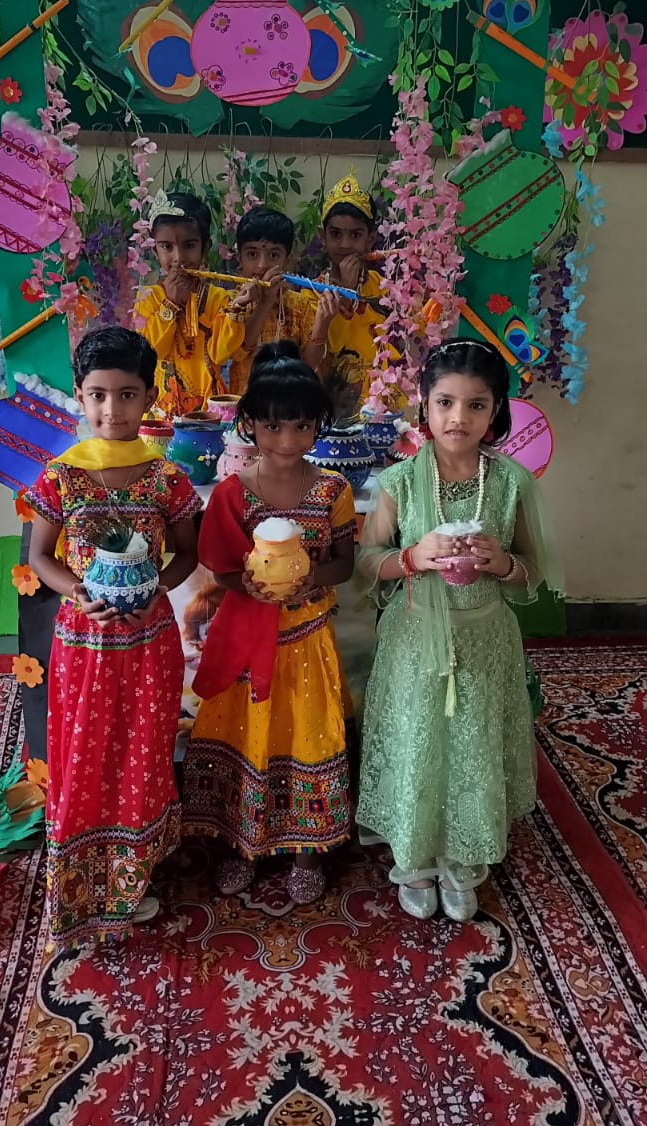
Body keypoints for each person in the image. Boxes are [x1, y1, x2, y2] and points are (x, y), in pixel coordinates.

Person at [356, 339, 563, 922]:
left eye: (476, 404)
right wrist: (412, 557)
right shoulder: (399, 481)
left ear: (496, 411)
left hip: (484, 638)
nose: (458, 418)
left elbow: (533, 571)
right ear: (423, 404)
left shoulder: (511, 483)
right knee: (419, 741)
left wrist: (502, 563)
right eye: (445, 402)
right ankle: (415, 857)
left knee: (472, 744)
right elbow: (367, 563)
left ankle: (463, 857)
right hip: (415, 638)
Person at [27, 326, 201, 947]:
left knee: (142, 750)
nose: (111, 409)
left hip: (149, 641)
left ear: (149, 397)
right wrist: (79, 593)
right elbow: (41, 557)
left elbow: (187, 552)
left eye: (127, 395)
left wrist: (159, 589)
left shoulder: (165, 478)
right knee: (85, 752)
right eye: (98, 395)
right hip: (84, 642)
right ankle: (83, 882)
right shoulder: (60, 477)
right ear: (79, 394)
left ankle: (133, 873)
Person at [181, 342, 356, 904]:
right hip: (246, 641)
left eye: (302, 426)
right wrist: (246, 586)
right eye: (273, 426)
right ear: (250, 424)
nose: (287, 440)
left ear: (319, 426)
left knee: (308, 736)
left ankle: (307, 850)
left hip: (308, 641)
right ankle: (243, 845)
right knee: (246, 738)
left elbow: (345, 563)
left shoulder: (332, 490)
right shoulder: (233, 493)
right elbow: (222, 566)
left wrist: (314, 577)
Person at [134, 190, 245, 415]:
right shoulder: (148, 298)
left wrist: (236, 310)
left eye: (189, 245)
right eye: (167, 247)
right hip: (159, 413)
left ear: (205, 248)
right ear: (155, 251)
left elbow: (220, 354)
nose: (179, 258)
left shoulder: (219, 299)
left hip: (209, 412)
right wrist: (171, 303)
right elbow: (151, 354)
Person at [227, 205, 341, 396]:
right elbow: (238, 352)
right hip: (246, 403)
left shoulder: (300, 305)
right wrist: (265, 303)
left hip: (291, 404)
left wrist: (322, 324)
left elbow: (308, 365)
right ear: (240, 259)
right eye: (252, 254)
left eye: (273, 255)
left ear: (288, 260)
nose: (262, 265)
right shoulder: (233, 302)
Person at [319, 173, 398, 407]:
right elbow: (323, 349)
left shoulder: (385, 289)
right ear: (322, 237)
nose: (344, 244)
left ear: (371, 239)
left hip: (381, 406)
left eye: (355, 235)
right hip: (329, 406)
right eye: (335, 234)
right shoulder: (310, 292)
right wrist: (346, 290)